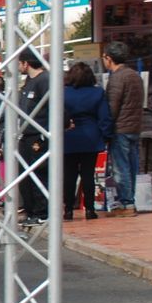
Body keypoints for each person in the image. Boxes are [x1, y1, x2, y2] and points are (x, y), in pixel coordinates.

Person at [61, 60, 112, 220]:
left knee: (69, 175)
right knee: (88, 175)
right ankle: (90, 209)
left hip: (68, 136)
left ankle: (68, 209)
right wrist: (106, 136)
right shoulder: (97, 93)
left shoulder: (63, 93)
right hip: (91, 137)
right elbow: (104, 117)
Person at [102, 41, 144, 217]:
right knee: (132, 166)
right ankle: (130, 201)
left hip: (121, 128)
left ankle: (127, 203)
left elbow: (112, 107)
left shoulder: (117, 77)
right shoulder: (135, 75)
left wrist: (106, 129)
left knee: (121, 169)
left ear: (109, 58)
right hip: (135, 127)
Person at [14, 48, 51, 225]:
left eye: (19, 63)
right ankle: (30, 211)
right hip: (25, 136)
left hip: (39, 135)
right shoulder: (28, 82)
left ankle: (42, 211)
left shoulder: (45, 80)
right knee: (25, 176)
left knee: (39, 174)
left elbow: (55, 107)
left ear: (26, 63)